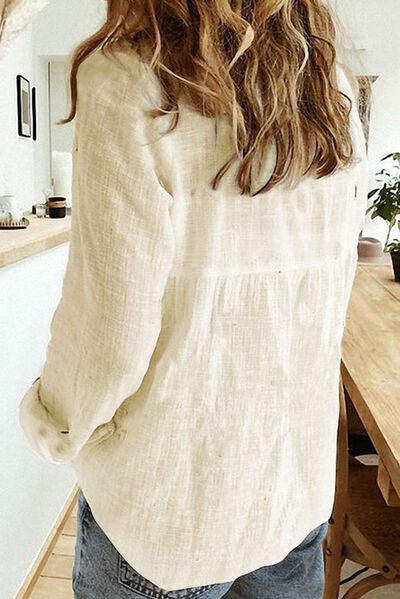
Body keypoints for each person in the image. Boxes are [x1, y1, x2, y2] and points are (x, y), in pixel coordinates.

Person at [19, 0, 368, 597]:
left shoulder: (128, 81)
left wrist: (52, 423)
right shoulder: (326, 86)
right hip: (290, 491)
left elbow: (107, 335)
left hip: (168, 505)